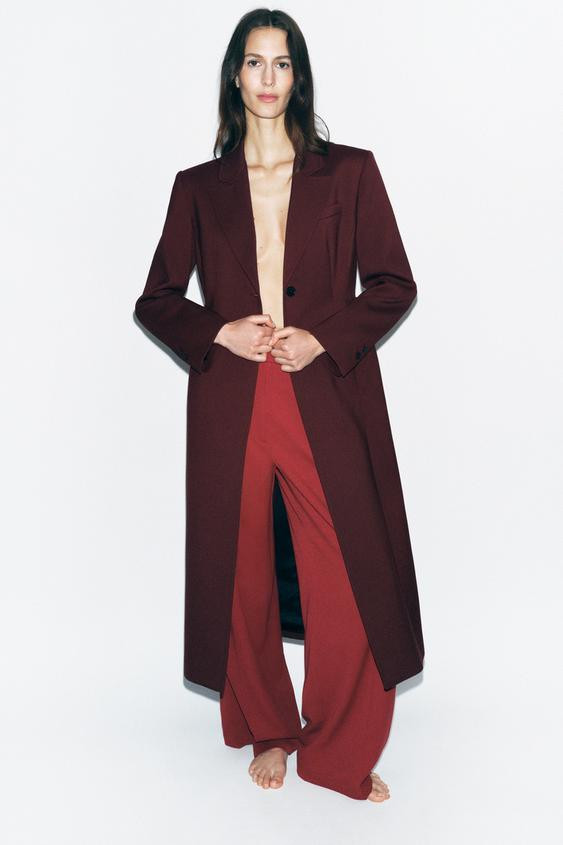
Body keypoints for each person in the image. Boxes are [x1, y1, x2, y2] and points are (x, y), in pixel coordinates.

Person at [134, 8, 424, 803]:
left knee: (348, 571)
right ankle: (268, 725)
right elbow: (156, 298)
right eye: (255, 62)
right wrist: (218, 330)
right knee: (241, 574)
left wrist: (323, 338)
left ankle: (338, 746)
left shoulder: (349, 172)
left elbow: (393, 283)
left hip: (320, 393)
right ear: (235, 76)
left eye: (282, 63)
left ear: (298, 78)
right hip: (233, 398)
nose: (268, 78)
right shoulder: (198, 188)